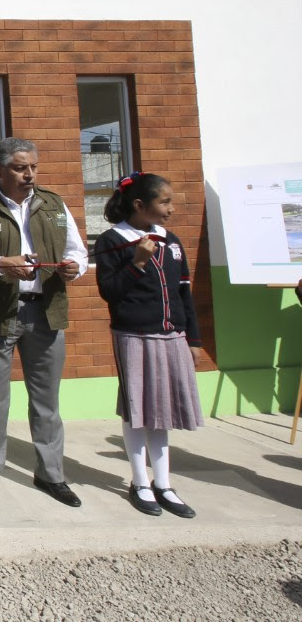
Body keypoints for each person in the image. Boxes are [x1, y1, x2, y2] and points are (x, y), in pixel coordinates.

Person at [0, 137, 88, 506]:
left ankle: (51, 474)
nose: (28, 173)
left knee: (47, 400)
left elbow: (76, 251)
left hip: (45, 310)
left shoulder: (54, 204)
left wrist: (73, 268)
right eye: (19, 167)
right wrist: (1, 264)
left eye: (33, 166)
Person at [94, 172, 203, 518]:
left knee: (163, 412)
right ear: (140, 205)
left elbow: (184, 292)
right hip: (134, 336)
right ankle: (140, 482)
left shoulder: (170, 240)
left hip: (172, 336)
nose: (171, 209)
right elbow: (110, 292)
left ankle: (164, 483)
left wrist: (193, 339)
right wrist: (138, 261)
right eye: (164, 202)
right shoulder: (113, 241)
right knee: (138, 410)